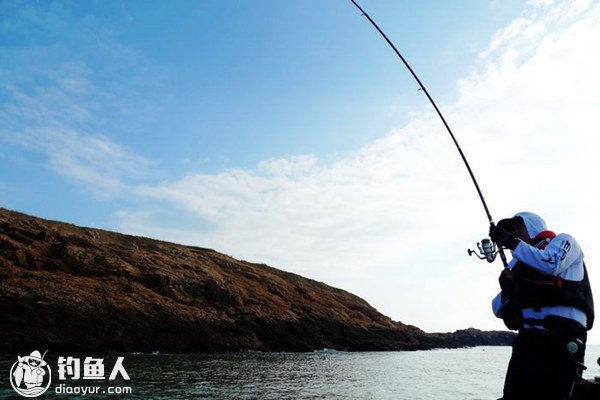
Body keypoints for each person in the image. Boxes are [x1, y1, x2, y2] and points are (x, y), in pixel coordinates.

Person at [489, 211, 594, 400]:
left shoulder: (565, 241)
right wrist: (507, 290)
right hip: (527, 343)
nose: (515, 232)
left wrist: (512, 243)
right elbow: (496, 307)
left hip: (562, 339)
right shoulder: (518, 264)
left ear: (532, 226)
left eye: (518, 226)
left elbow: (551, 263)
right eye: (511, 230)